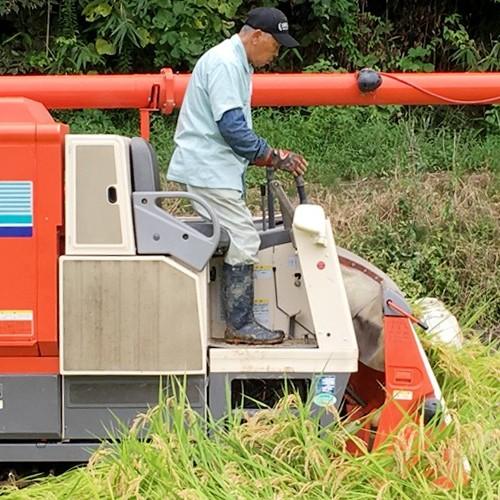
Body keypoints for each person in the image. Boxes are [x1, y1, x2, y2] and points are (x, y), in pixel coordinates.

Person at [167, 7, 308, 345]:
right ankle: (240, 325)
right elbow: (233, 129)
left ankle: (237, 322)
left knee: (240, 234)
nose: (276, 54)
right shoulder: (226, 63)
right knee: (245, 238)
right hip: (209, 169)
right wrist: (274, 157)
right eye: (275, 46)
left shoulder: (235, 62)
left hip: (215, 169)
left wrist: (269, 156)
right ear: (256, 36)